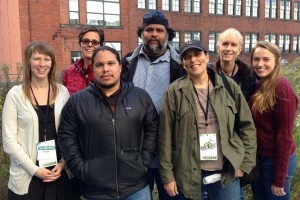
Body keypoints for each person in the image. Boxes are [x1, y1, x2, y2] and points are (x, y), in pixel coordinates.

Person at [158, 40, 257, 200]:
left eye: (197, 54)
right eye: (187, 57)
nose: (193, 60)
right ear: (182, 63)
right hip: (189, 173)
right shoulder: (174, 92)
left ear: (206, 56)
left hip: (226, 171)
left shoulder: (228, 86)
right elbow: (165, 137)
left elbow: (247, 127)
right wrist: (168, 176)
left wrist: (245, 164)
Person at [57, 46, 159, 200]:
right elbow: (66, 136)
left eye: (111, 63)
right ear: (93, 68)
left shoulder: (140, 97)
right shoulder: (77, 102)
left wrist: (144, 162)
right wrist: (82, 170)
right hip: (97, 191)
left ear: (120, 67)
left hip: (136, 188)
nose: (105, 69)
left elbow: (153, 129)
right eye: (99, 65)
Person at [121, 10, 186, 200]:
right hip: (136, 149)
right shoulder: (126, 62)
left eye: (159, 30)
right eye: (149, 30)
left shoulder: (181, 64)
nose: (154, 34)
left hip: (171, 149)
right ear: (141, 33)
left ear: (167, 34)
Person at [2, 41, 71, 200]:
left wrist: (63, 163)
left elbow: (71, 132)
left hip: (58, 173)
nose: (42, 64)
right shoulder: (16, 95)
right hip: (27, 176)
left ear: (52, 63)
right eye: (37, 59)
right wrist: (35, 170)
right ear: (28, 62)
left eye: (46, 59)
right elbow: (9, 141)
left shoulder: (62, 92)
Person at [249, 41, 298, 200]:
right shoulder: (259, 85)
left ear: (277, 61)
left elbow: (285, 137)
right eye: (256, 59)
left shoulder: (282, 87)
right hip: (260, 160)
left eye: (266, 59)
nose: (260, 64)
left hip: (276, 162)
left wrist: (279, 179)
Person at [213, 28, 255, 101]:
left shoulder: (249, 75)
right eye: (225, 44)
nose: (228, 48)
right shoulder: (208, 72)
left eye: (233, 45)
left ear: (239, 50)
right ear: (218, 48)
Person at [62, 27, 104, 95]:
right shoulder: (69, 72)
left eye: (95, 42)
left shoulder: (105, 72)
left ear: (101, 46)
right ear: (80, 44)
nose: (90, 45)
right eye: (86, 41)